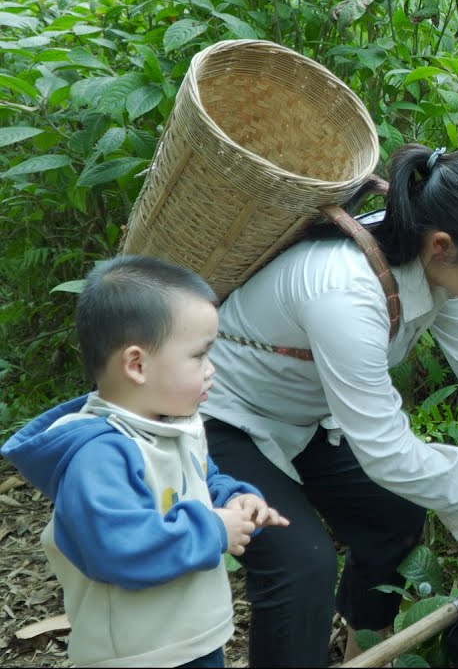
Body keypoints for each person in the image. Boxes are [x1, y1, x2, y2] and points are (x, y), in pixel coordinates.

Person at [200, 142, 458, 666]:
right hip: (224, 414)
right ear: (443, 245)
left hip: (305, 416)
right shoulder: (346, 290)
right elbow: (386, 452)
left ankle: (363, 651)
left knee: (391, 513)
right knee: (300, 564)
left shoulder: (435, 264)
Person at [0, 256, 289, 668]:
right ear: (136, 364)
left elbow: (200, 482)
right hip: (138, 655)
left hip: (193, 637)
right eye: (199, 356)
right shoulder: (99, 454)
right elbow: (120, 550)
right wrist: (213, 529)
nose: (211, 370)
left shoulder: (173, 423)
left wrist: (236, 500)